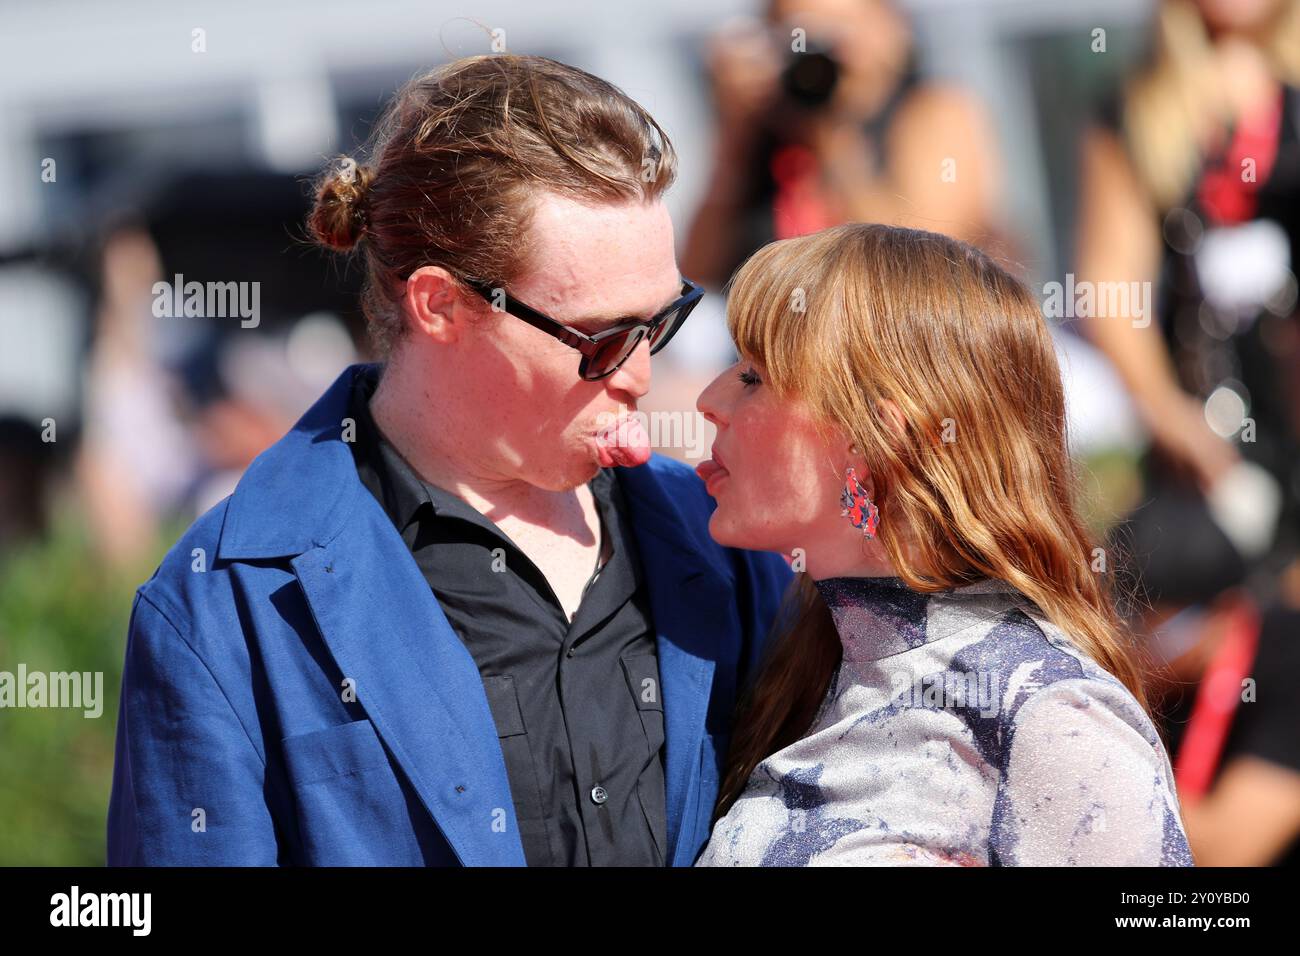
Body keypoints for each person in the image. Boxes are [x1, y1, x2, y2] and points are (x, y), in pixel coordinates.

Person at [106, 53, 794, 867]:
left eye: (663, 320)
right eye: (603, 339)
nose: (643, 374)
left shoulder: (721, 540)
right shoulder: (228, 602)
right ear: (441, 305)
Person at [690, 223, 1194, 866]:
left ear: (877, 435)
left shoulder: (1044, 706)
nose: (709, 401)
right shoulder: (810, 657)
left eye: (754, 377)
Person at [1075, 0, 1300, 864]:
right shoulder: (1138, 108)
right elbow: (1112, 296)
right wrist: (1182, 428)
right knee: (1150, 617)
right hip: (1202, 459)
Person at [682, 0, 1005, 289]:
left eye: (838, 31)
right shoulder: (769, 126)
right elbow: (699, 271)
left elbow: (924, 260)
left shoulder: (933, 111)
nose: (819, 53)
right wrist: (737, 133)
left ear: (890, 30)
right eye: (799, 35)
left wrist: (832, 140)